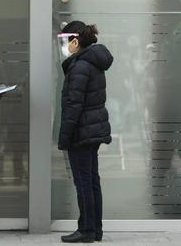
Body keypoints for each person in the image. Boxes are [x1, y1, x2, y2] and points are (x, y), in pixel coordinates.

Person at [57, 21, 113, 243]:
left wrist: (65, 137)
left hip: (81, 131)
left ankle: (86, 230)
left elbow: (74, 106)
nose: (63, 46)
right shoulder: (92, 62)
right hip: (92, 128)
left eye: (65, 41)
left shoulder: (80, 66)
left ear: (75, 41)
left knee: (83, 182)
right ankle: (95, 229)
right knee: (91, 180)